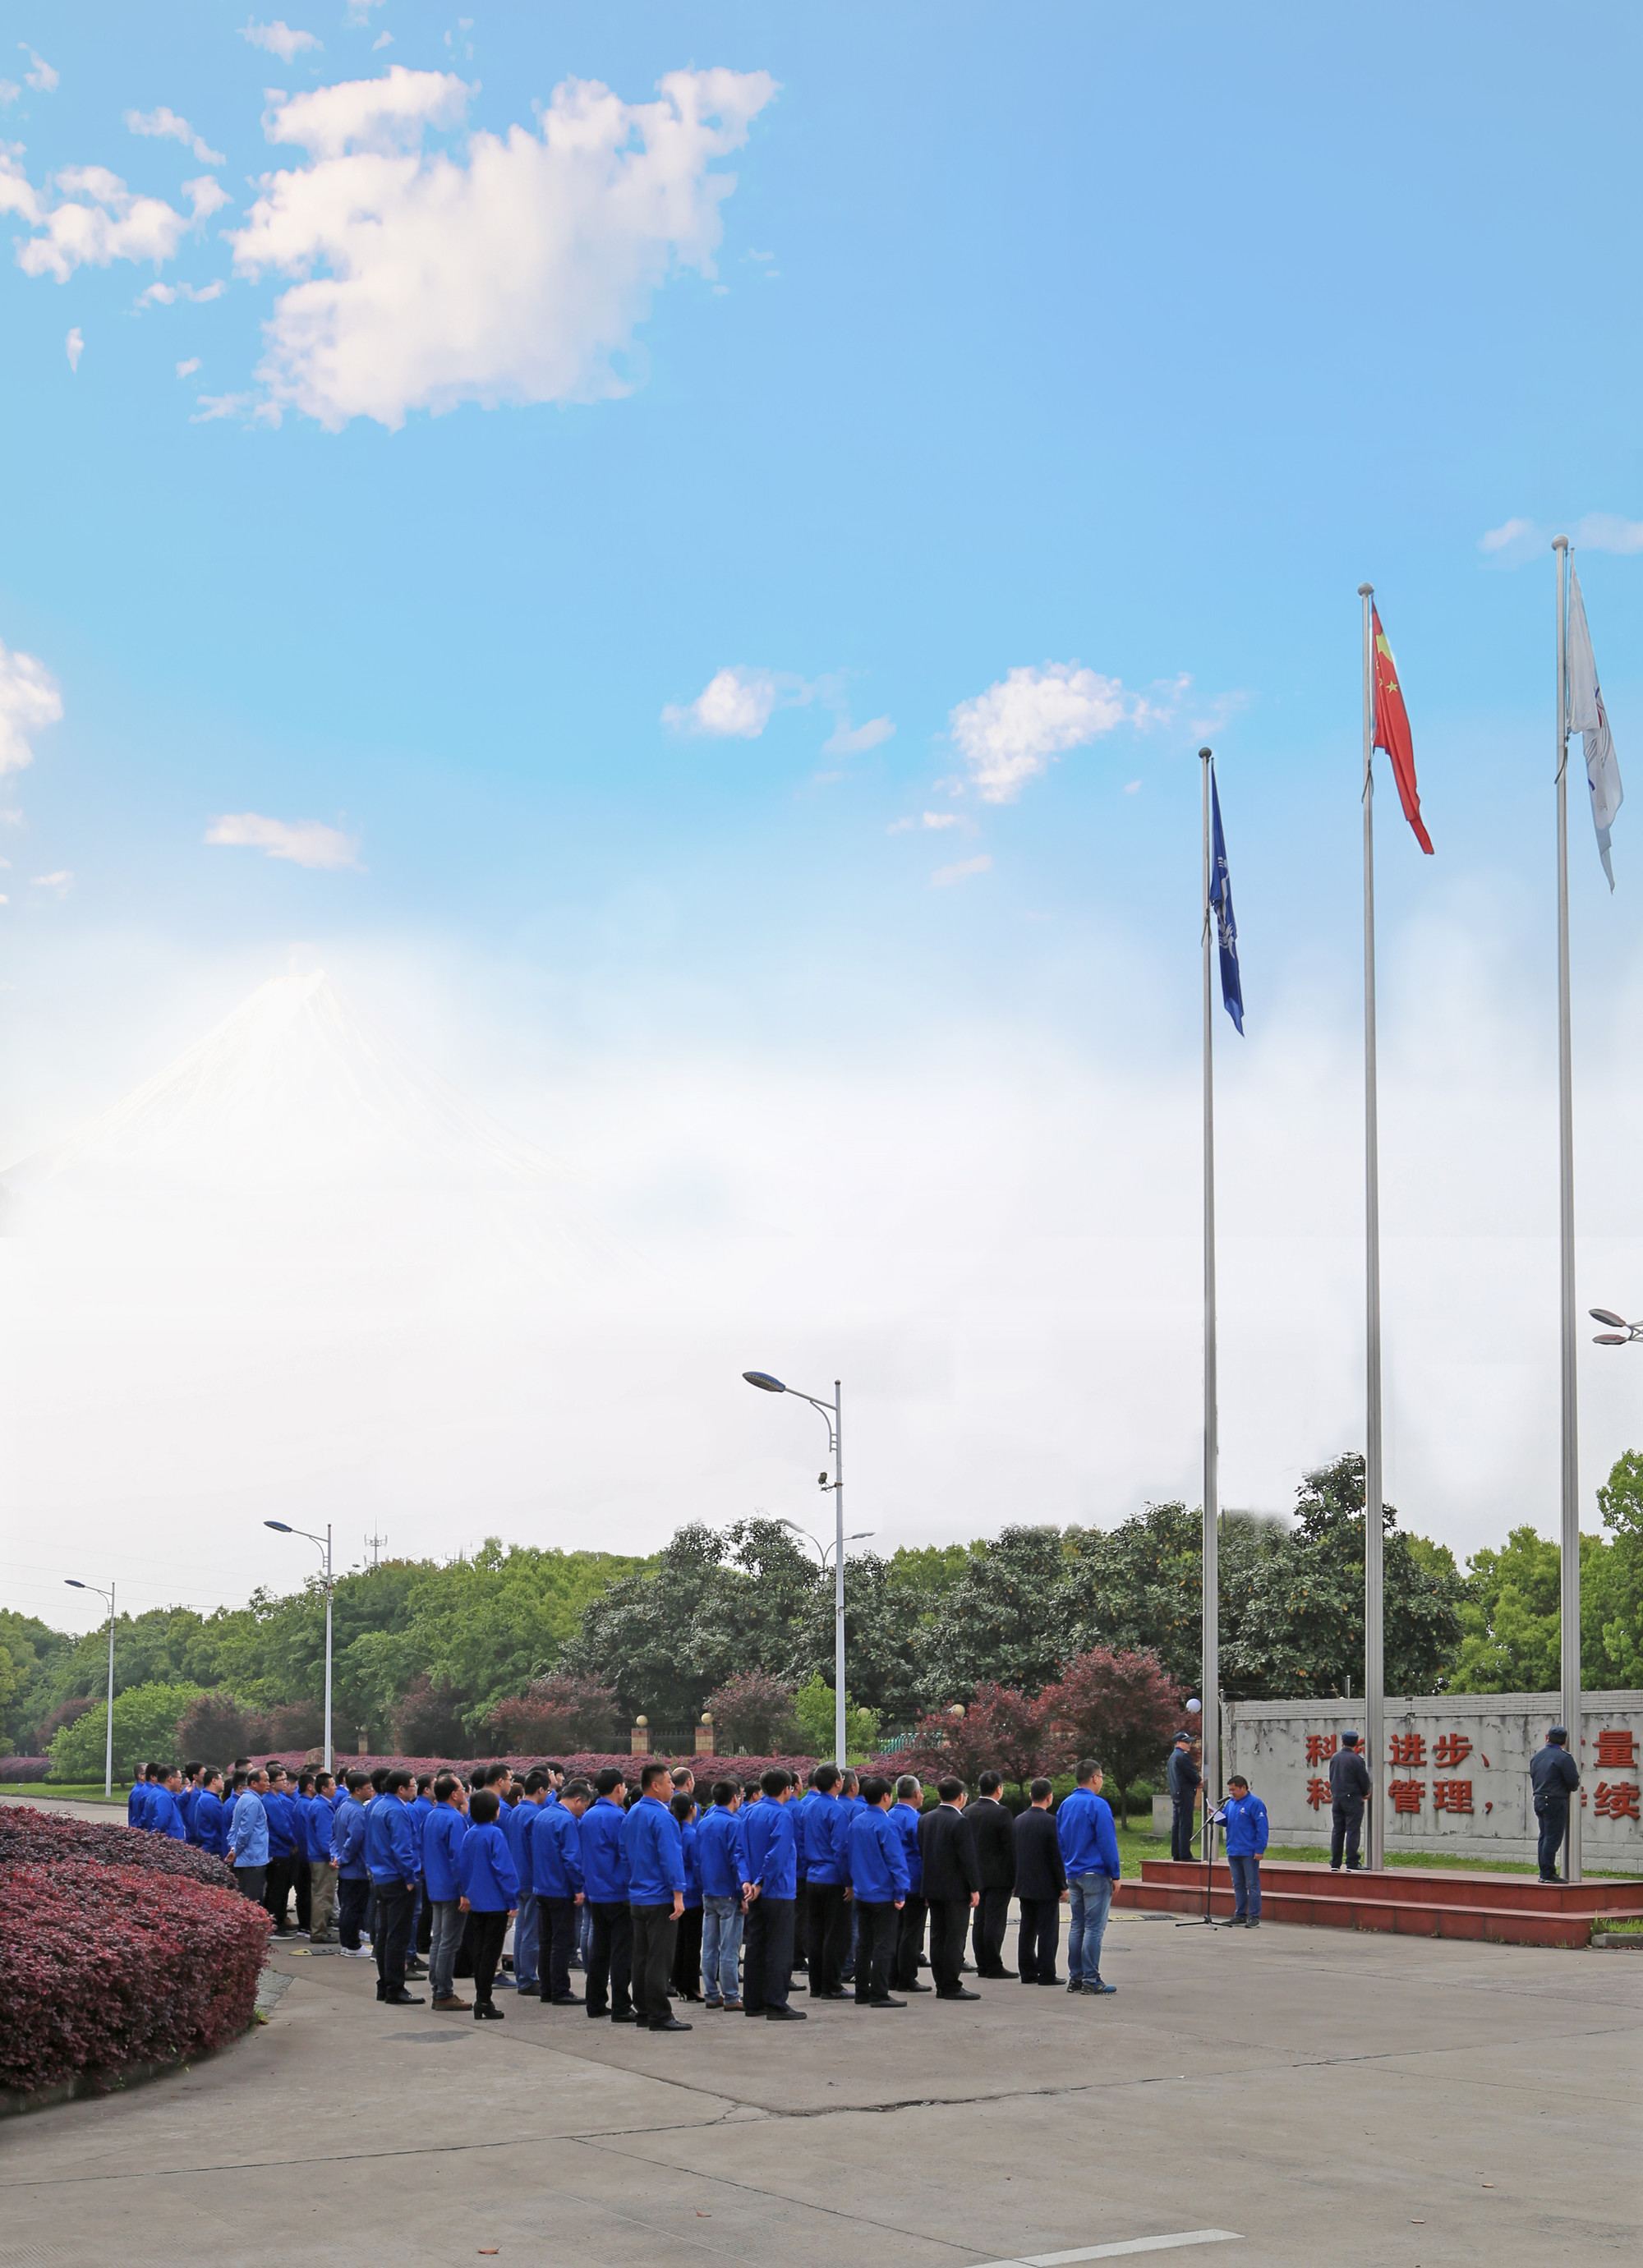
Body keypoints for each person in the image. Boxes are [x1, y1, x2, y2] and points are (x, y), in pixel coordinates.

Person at [623, 1760, 689, 2032]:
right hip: (659, 1896)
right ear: (655, 1785)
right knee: (659, 1959)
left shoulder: (632, 1813)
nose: (673, 1786)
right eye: (669, 1782)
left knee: (641, 1957)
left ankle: (644, 2011)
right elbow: (671, 1858)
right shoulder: (663, 1817)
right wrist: (678, 1894)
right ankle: (660, 2015)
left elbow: (624, 1854)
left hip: (638, 1895)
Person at [741, 1768, 804, 2021]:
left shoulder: (749, 1812)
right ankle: (777, 2003)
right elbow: (777, 1855)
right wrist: (761, 1882)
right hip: (777, 1889)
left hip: (755, 1891)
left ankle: (753, 2002)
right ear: (787, 1789)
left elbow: (740, 1850)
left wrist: (747, 1881)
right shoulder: (783, 1815)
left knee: (756, 1945)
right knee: (779, 1947)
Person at [1057, 1758, 1121, 1995]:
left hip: (1073, 1872)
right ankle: (1091, 1978)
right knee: (1094, 1928)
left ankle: (1076, 1977)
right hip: (1095, 1872)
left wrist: (1068, 1865)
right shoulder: (1098, 1805)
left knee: (1077, 1926)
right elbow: (1107, 1842)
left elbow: (1061, 1840)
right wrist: (1115, 1873)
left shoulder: (1065, 1804)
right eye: (1101, 1777)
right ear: (1095, 1778)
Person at [845, 1775, 909, 2007]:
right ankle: (880, 1993)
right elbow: (896, 1861)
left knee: (864, 1944)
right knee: (884, 1945)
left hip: (862, 1892)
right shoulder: (886, 1825)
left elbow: (847, 1855)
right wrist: (901, 1892)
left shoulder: (856, 1822)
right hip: (883, 1893)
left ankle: (862, 1991)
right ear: (886, 1797)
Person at [580, 1768, 636, 2023]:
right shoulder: (618, 1817)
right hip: (618, 1892)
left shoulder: (588, 1816)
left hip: (596, 1891)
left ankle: (595, 2002)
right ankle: (621, 2005)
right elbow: (625, 1855)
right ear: (618, 1788)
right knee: (622, 1952)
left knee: (599, 1950)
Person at [365, 1766, 424, 2005]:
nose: (415, 1789)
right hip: (397, 1877)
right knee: (397, 1937)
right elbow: (402, 1848)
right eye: (413, 1786)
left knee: (385, 1934)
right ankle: (395, 1988)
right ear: (401, 1789)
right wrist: (410, 1878)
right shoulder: (398, 1810)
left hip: (381, 1875)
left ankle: (385, 1985)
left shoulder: (377, 1805)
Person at [458, 1787, 518, 2021]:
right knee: (491, 1953)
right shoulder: (495, 1835)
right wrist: (511, 1898)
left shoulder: (469, 1834)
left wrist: (465, 1892)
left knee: (480, 1950)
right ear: (495, 1811)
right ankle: (484, 2000)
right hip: (495, 1901)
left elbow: (463, 1867)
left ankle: (481, 1997)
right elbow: (504, 1869)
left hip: (477, 1900)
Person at [918, 1778, 981, 2000]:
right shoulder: (960, 1822)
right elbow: (967, 1859)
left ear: (939, 1795)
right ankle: (951, 1984)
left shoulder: (925, 1819)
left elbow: (923, 1853)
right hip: (955, 1889)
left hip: (933, 1887)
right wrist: (974, 1888)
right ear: (961, 1796)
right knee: (955, 1937)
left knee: (938, 1936)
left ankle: (941, 1984)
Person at [533, 1778, 589, 2006]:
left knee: (545, 1941)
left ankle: (546, 1988)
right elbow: (572, 1858)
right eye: (584, 1806)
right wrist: (578, 1887)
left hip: (542, 1886)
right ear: (577, 1800)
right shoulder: (567, 1821)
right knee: (562, 1942)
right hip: (561, 1888)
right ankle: (560, 1989)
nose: (583, 1811)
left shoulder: (542, 1816)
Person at [697, 1779, 748, 2011]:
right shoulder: (734, 1824)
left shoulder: (703, 1823)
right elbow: (737, 1861)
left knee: (709, 1947)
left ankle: (711, 1993)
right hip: (728, 1892)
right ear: (735, 1797)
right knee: (729, 1948)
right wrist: (742, 1894)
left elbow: (697, 1859)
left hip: (709, 1891)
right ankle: (731, 1996)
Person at [801, 1764, 851, 1999]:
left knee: (816, 1932)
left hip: (813, 1876)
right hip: (833, 1878)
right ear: (837, 1783)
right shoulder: (837, 1811)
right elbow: (841, 1850)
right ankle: (832, 1986)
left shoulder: (808, 1808)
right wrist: (848, 1881)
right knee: (835, 1934)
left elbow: (802, 1844)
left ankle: (817, 1984)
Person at [424, 1771, 471, 2011]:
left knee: (439, 1940)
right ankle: (443, 1992)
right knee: (449, 1943)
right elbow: (458, 1858)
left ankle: (438, 1987)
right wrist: (464, 1890)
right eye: (462, 1789)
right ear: (454, 1794)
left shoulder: (431, 1816)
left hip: (436, 1885)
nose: (464, 1793)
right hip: (452, 1888)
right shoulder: (455, 1820)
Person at [1014, 1778, 1066, 1984]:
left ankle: (1027, 1971)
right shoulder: (1051, 1822)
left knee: (1027, 1929)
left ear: (1030, 1795)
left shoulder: (1018, 1820)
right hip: (1046, 1885)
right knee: (1048, 1931)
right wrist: (1062, 1885)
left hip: (1024, 1883)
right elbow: (1056, 1857)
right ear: (1049, 1797)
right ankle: (1046, 1973)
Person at [968, 1772, 1017, 1977]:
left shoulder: (968, 1811)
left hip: (977, 1875)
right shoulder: (1002, 1813)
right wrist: (1014, 1877)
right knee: (995, 1921)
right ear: (998, 1789)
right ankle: (994, 1965)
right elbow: (1010, 1848)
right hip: (999, 1876)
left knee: (979, 1921)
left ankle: (982, 1964)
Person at [509, 1769, 552, 1999]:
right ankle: (527, 1978)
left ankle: (522, 1975)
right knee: (531, 1932)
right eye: (548, 1791)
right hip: (532, 1877)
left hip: (517, 1875)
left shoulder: (515, 1812)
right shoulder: (535, 1816)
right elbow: (540, 1850)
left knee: (522, 1929)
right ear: (541, 1790)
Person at [890, 1775, 930, 1992]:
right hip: (913, 1882)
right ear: (916, 1793)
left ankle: (892, 1975)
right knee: (911, 1932)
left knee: (896, 1930)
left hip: (892, 1882)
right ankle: (907, 1977)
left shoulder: (889, 1815)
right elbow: (923, 1854)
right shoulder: (916, 1820)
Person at [1530, 1725, 1581, 1883]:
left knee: (1544, 1836)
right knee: (1553, 1838)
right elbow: (1573, 1783)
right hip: (1555, 1801)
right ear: (1564, 1742)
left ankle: (1543, 1872)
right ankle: (1548, 1873)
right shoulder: (1564, 1758)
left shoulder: (1537, 1756)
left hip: (1539, 1799)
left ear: (1548, 1738)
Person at [332, 1770, 373, 1957]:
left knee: (347, 1907)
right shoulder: (358, 1812)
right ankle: (353, 1945)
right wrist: (343, 1858)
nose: (371, 1791)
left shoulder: (343, 1807)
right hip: (356, 1867)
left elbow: (334, 1836)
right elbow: (354, 1840)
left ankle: (346, 1944)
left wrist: (336, 1856)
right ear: (357, 1790)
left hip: (346, 1867)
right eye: (368, 1788)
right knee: (354, 1908)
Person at [1217, 1774, 1269, 1925]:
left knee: (1252, 1884)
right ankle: (1240, 1914)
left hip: (1248, 1851)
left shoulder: (1255, 1803)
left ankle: (1254, 1916)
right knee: (1238, 1884)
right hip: (1233, 1850)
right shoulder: (1231, 1804)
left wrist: (1260, 1849)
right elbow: (1226, 1821)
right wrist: (1216, 1815)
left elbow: (1262, 1827)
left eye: (1234, 1790)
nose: (1231, 1793)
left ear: (1243, 1787)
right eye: (1230, 1790)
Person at [670, 1790, 705, 2003]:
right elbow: (698, 1865)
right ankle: (691, 1986)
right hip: (692, 1893)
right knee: (692, 1943)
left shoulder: (673, 1832)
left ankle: (679, 1982)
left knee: (680, 1941)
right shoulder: (691, 1835)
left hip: (677, 1891)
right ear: (692, 1809)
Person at [1328, 1732, 1373, 1871]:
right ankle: (1352, 1863)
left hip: (1337, 1798)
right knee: (1353, 1830)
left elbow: (1332, 1777)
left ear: (1342, 1742)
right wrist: (1366, 1792)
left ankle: (1335, 1863)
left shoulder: (1335, 1757)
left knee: (1338, 1830)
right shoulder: (1357, 1760)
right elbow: (1363, 1779)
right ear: (1356, 1743)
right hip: (1352, 1799)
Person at [226, 1767, 270, 1902]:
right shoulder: (252, 1802)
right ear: (254, 1783)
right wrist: (236, 1851)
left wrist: (233, 1848)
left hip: (248, 1859)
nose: (268, 1784)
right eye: (265, 1781)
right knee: (252, 1899)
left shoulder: (244, 1799)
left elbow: (234, 1829)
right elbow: (244, 1832)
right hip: (252, 1860)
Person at [306, 1772, 339, 1944]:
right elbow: (325, 1837)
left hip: (318, 1856)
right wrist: (332, 1857)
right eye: (332, 1785)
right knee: (323, 1895)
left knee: (321, 1893)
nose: (335, 1787)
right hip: (322, 1858)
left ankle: (320, 1929)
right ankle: (319, 1932)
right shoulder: (321, 1807)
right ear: (324, 1788)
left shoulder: (320, 1804)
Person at [1167, 1733, 1201, 1861]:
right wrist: (1199, 1780)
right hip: (1185, 1794)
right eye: (1186, 1742)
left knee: (1177, 1824)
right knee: (1186, 1823)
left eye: (1189, 1742)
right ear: (1178, 1743)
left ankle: (1176, 1853)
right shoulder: (1182, 1756)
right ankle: (1185, 1854)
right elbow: (1192, 1773)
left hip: (1176, 1794)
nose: (1189, 1745)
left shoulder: (1172, 1757)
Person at [192, 1768, 228, 1858]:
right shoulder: (210, 1800)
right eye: (221, 1779)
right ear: (214, 1781)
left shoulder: (207, 1797)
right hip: (213, 1848)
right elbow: (221, 1824)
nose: (223, 1783)